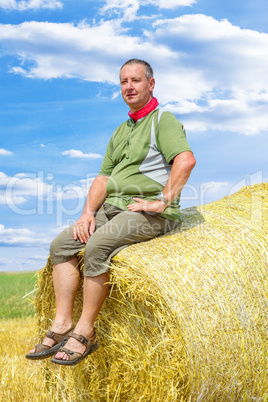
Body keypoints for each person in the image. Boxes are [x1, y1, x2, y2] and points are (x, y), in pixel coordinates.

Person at [26, 59, 196, 366]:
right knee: (61, 246)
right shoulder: (121, 130)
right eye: (123, 82)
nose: (129, 87)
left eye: (136, 81)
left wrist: (163, 201)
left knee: (97, 246)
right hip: (112, 208)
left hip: (149, 214)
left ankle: (85, 330)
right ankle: (62, 322)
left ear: (151, 84)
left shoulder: (163, 121)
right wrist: (86, 214)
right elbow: (103, 178)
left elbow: (185, 160)